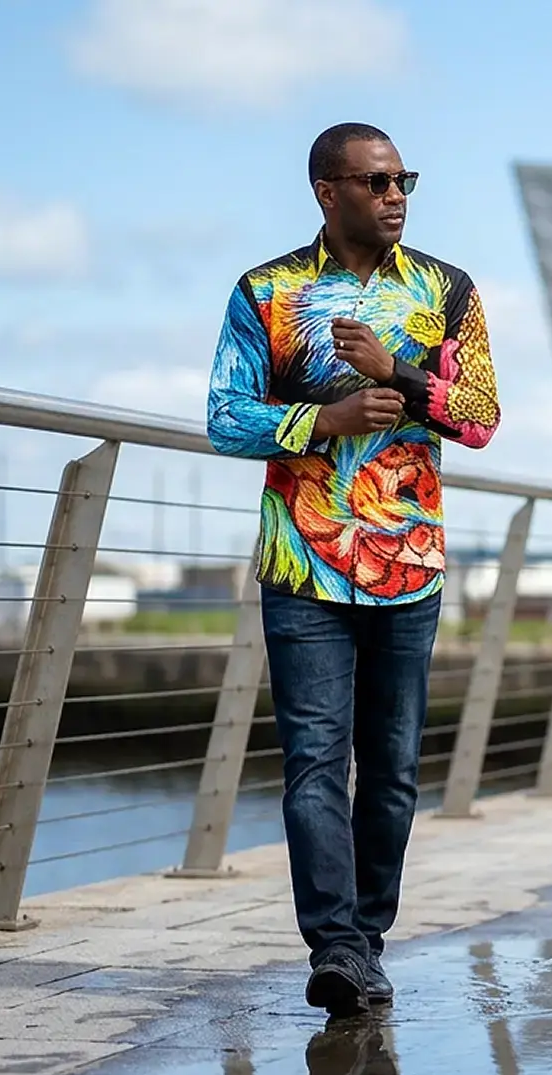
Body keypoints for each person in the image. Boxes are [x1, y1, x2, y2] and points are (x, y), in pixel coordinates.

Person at [206, 122, 501, 1015]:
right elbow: (225, 416)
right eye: (375, 182)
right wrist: (324, 421)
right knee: (313, 765)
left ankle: (366, 940)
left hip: (409, 565)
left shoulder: (447, 291)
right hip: (302, 565)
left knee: (395, 767)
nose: (395, 195)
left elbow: (482, 417)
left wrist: (402, 377)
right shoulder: (267, 292)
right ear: (328, 193)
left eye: (403, 179)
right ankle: (333, 946)